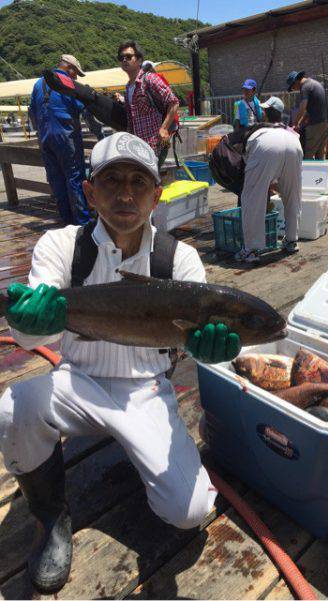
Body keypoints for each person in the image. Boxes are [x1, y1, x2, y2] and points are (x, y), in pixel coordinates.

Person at [0, 132, 242, 594]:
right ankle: (50, 517)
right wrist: (30, 322)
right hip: (76, 381)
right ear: (90, 192)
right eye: (111, 181)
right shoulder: (61, 246)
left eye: (138, 182)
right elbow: (33, 332)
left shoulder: (180, 259)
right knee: (13, 407)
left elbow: (195, 340)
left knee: (189, 512)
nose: (125, 194)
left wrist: (206, 351)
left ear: (158, 192)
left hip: (146, 390)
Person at [235, 96, 303, 264]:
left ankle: (251, 249)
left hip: (267, 143)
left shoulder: (259, 130)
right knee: (293, 195)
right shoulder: (290, 131)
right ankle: (291, 241)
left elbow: (246, 158)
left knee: (252, 198)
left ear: (265, 113)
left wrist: (261, 182)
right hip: (294, 144)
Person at [29, 54, 91, 226]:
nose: (76, 77)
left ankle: (66, 221)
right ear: (69, 68)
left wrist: (41, 133)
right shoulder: (67, 83)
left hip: (45, 139)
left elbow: (32, 112)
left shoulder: (38, 84)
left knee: (57, 180)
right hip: (66, 137)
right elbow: (84, 109)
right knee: (75, 178)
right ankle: (82, 224)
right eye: (76, 72)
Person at [118, 40, 179, 169]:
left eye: (128, 57)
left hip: (157, 144)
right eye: (121, 57)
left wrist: (164, 128)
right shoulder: (128, 87)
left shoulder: (150, 79)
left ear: (139, 60)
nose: (124, 60)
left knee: (150, 181)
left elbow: (173, 102)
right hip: (138, 147)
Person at [287, 70, 328, 160]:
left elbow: (303, 107)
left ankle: (306, 174)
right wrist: (300, 123)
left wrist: (295, 123)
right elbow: (308, 110)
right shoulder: (314, 84)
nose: (295, 90)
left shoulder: (305, 87)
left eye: (293, 87)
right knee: (320, 154)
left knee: (308, 154)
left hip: (315, 125)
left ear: (296, 82)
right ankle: (321, 174)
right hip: (325, 123)